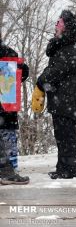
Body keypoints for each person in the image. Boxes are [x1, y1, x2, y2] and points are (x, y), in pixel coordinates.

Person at [32, 10, 76, 179]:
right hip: (61, 96)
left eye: (59, 23)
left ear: (66, 27)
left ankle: (68, 170)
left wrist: (41, 81)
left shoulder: (72, 46)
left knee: (66, 134)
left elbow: (59, 69)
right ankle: (63, 167)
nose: (56, 25)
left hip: (67, 96)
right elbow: (56, 68)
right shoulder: (63, 44)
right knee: (61, 134)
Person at [0, 40, 30, 185]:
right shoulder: (8, 52)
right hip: (6, 104)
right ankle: (9, 168)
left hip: (6, 105)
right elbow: (24, 72)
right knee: (8, 136)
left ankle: (8, 169)